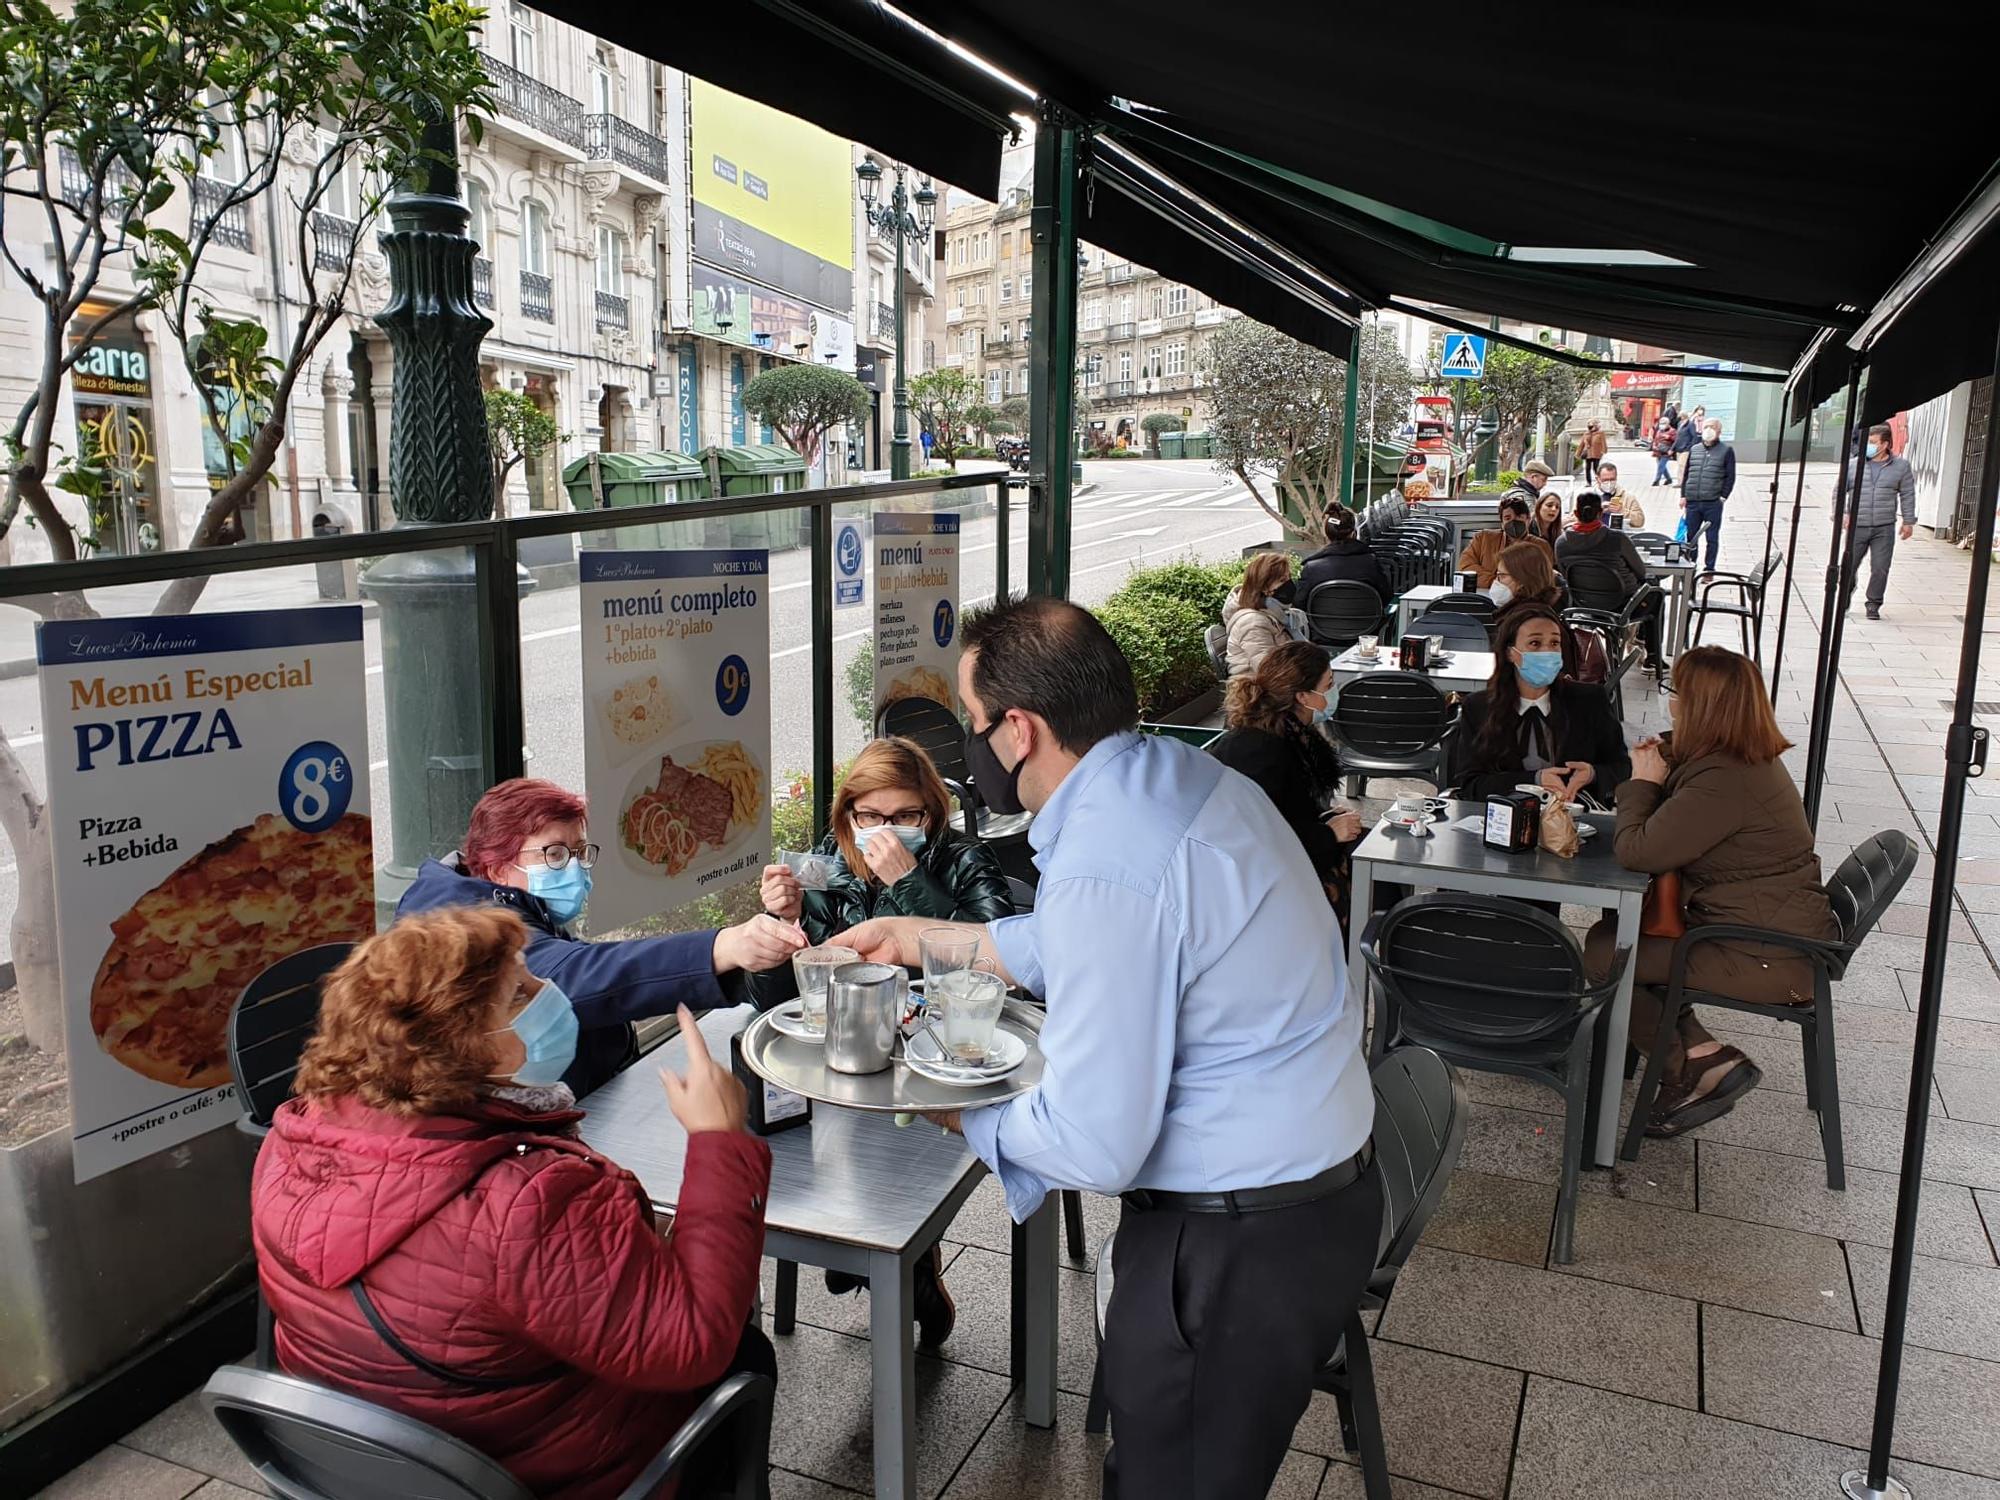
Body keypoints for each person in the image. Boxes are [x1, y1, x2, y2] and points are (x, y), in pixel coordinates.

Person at [835, 596, 1379, 1500]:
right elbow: (1080, 938)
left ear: (1019, 730)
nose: (972, 749)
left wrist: (945, 1107)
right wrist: (923, 937)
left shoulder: (1109, 857)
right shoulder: (1176, 776)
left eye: (974, 726)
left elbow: (1094, 1138)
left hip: (1237, 1239)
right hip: (1310, 1195)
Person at [252, 908, 773, 1500]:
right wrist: (720, 1143)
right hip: (531, 1472)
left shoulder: (291, 1140)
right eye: (520, 994)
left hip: (358, 1465)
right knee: (742, 1352)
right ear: (464, 1047)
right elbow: (692, 1343)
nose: (547, 994)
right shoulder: (529, 1201)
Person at [753, 736, 1013, 1348]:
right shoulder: (824, 865)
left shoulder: (965, 861)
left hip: (936, 1058)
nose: (885, 832)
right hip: (841, 1060)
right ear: (848, 815)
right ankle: (882, 1259)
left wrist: (913, 884)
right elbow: (780, 999)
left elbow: (991, 969)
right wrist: (780, 925)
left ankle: (878, 1256)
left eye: (904, 817)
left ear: (932, 812)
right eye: (869, 817)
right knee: (802, 1135)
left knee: (883, 1145)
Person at [398, 779, 804, 1099]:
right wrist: (721, 947)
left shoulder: (500, 902)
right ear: (496, 864)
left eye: (578, 851)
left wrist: (750, 961)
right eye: (554, 855)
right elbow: (572, 975)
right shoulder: (464, 929)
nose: (573, 868)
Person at [1586, 647, 1838, 1136]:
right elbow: (1681, 780)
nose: (1670, 701)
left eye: (1675, 691)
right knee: (1618, 937)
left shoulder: (1724, 779)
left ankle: (1681, 1070)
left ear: (1702, 706)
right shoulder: (1736, 758)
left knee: (1607, 952)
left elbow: (1639, 851)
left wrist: (1641, 783)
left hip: (1767, 955)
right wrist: (1657, 753)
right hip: (1762, 932)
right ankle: (1704, 1056)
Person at [1208, 640, 1365, 922]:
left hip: (1281, 851)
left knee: (1369, 850)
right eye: (1329, 684)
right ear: (1304, 697)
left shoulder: (1286, 732)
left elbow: (1284, 806)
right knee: (1370, 868)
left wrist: (1324, 816)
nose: (1334, 692)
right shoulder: (1261, 751)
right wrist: (1329, 834)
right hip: (1258, 875)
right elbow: (1252, 834)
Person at [1450, 603, 1629, 802]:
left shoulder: (1589, 700)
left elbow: (1621, 766)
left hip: (1572, 820)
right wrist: (1534, 780)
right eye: (1535, 644)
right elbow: (1469, 785)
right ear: (1511, 653)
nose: (1547, 652)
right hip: (1502, 819)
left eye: (1554, 643)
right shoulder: (1479, 707)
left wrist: (1593, 773)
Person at [1558, 491, 1665, 672]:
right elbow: (1640, 571)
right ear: (1601, 513)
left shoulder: (1561, 543)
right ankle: (1652, 656)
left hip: (1583, 605)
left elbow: (1565, 574)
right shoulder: (1617, 538)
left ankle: (1638, 638)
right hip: (1624, 606)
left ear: (1575, 514)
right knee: (1655, 590)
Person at [1842, 422, 1917, 621]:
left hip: (1883, 527)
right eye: (1867, 442)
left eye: (1873, 442)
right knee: (1849, 565)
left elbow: (1908, 494)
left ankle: (1873, 604)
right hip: (1857, 525)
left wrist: (1908, 521)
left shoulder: (1901, 467)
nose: (1868, 446)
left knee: (1880, 567)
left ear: (1885, 444)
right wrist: (1843, 513)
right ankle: (1843, 598)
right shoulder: (1853, 465)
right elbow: (1839, 492)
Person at [1222, 550, 1295, 676]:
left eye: (1289, 578)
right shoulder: (1252, 623)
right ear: (1264, 587)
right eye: (1282, 580)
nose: (1289, 584)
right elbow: (1268, 671)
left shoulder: (1276, 613)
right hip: (1258, 690)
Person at [1297, 504, 1390, 601]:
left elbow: (1299, 603)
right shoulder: (1371, 563)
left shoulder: (1311, 568)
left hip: (1321, 616)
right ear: (1354, 532)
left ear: (1327, 533)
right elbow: (1386, 597)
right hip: (1365, 615)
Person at [1679, 415, 1735, 575]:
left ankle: (1709, 569)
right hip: (1693, 501)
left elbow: (1730, 476)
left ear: (1719, 431)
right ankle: (1690, 566)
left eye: (1712, 427)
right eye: (1706, 427)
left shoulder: (1726, 451)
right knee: (1691, 537)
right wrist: (1683, 495)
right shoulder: (1695, 449)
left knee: (1712, 537)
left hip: (1712, 502)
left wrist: (1723, 497)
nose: (1708, 430)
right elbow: (1687, 473)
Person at [1458, 496, 1554, 587]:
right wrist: (1497, 583)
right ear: (1502, 523)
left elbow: (1544, 577)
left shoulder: (1541, 546)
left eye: (1519, 517)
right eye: (1508, 518)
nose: (1514, 521)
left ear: (1528, 520)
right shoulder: (1483, 538)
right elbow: (1466, 566)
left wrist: (1514, 586)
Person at [1492, 539, 1564, 611]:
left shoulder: (1532, 618)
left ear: (1523, 578)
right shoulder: (1522, 611)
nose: (1496, 581)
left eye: (1502, 575)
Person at [1596, 459, 1645, 529]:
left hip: (1619, 537)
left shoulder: (1628, 497)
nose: (1609, 483)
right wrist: (1595, 511)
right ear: (1598, 479)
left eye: (1612, 479)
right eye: (1605, 480)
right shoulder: (1586, 497)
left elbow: (1640, 521)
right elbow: (1574, 521)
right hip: (1594, 537)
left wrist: (1622, 511)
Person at [1671, 403, 1706, 488]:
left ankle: (1682, 482)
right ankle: (1680, 481)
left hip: (1687, 448)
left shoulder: (1691, 424)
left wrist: (1690, 447)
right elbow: (1678, 437)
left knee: (1682, 465)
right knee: (1680, 465)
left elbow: (1694, 436)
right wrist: (1673, 448)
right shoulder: (1681, 424)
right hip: (1679, 448)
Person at [1650, 413, 1677, 487]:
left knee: (1661, 465)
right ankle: (1669, 479)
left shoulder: (1672, 431)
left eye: (1664, 423)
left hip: (1666, 451)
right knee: (1662, 466)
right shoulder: (1659, 431)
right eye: (1661, 423)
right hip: (1658, 451)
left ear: (1668, 424)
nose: (1662, 425)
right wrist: (1654, 445)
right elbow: (1655, 439)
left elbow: (1676, 440)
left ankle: (1656, 480)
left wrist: (1669, 437)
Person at [1580, 420, 1608, 486]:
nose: (1590, 426)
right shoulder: (1586, 433)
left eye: (1592, 424)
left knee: (1596, 468)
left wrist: (1604, 451)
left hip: (1597, 453)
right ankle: (1588, 482)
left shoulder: (1600, 433)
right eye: (1589, 424)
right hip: (1588, 453)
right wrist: (1578, 453)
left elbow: (1603, 443)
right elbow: (1582, 444)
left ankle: (1599, 481)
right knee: (1587, 468)